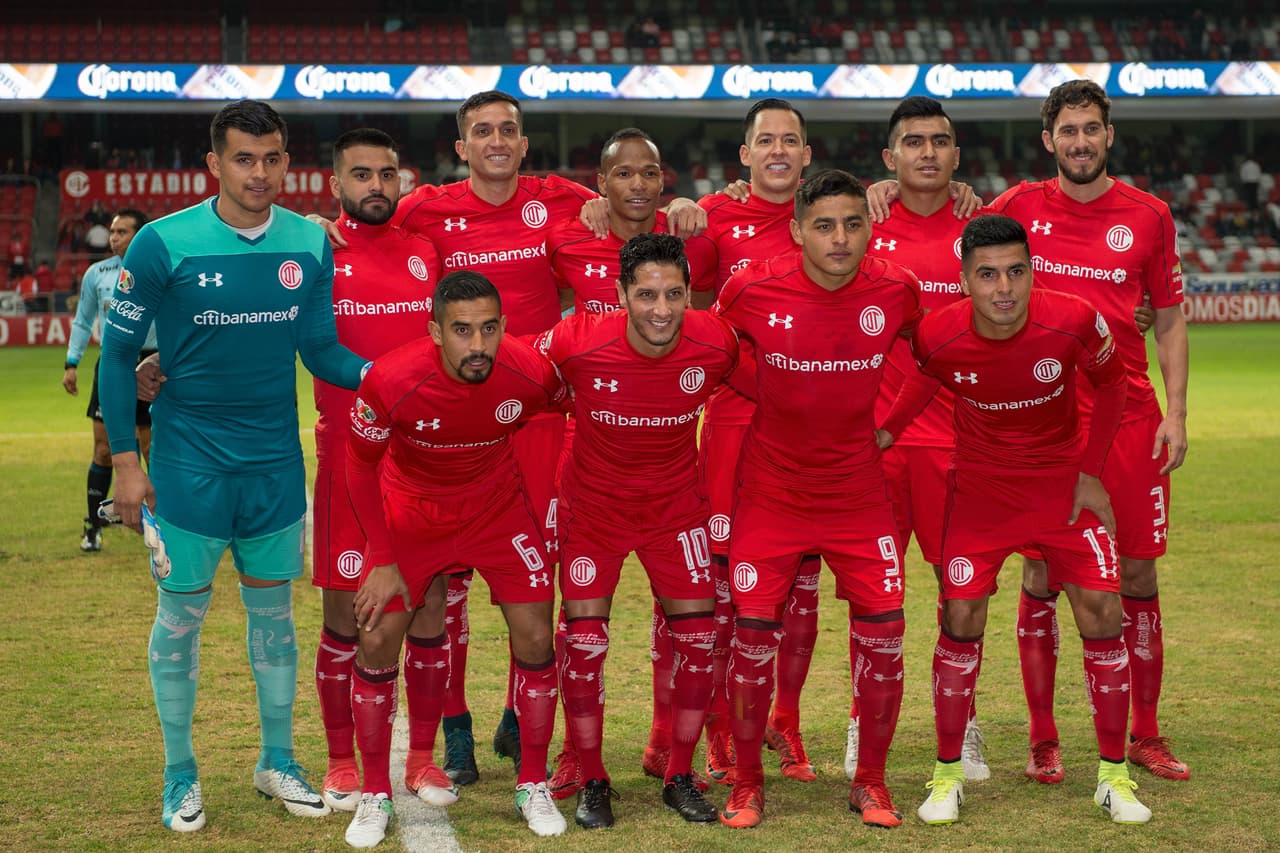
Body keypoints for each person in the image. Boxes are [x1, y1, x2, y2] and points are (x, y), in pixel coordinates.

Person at [98, 99, 368, 833]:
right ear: (214, 163)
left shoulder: (308, 244)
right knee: (181, 615)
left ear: (286, 162)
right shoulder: (162, 242)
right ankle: (179, 773)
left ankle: (276, 760)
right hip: (189, 465)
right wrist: (126, 461)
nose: (260, 173)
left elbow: (321, 350)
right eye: (244, 159)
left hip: (274, 465)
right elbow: (117, 357)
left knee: (274, 616)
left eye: (272, 158)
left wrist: (390, 379)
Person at [879, 213, 1152, 826]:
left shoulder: (1074, 319)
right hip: (981, 492)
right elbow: (924, 381)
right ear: (964, 281)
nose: (1003, 288)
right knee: (960, 616)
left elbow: (1113, 386)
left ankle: (1113, 777)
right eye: (987, 275)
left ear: (1032, 272)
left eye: (1015, 272)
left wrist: (1090, 472)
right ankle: (947, 775)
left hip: (1060, 488)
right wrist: (887, 434)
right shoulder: (938, 332)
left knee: (1103, 610)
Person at [988, 79, 1190, 784]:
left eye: (1091, 129)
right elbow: (958, 247)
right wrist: (889, 190)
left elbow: (1169, 318)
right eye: (1068, 130)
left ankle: (1146, 732)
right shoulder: (1015, 207)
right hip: (1043, 421)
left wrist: (1176, 412)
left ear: (1109, 135)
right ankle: (1043, 737)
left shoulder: (1149, 215)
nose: (1080, 142)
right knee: (1042, 571)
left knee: (1137, 571)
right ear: (1049, 140)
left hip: (1129, 419)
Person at [713, 169, 922, 830]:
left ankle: (872, 783)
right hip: (771, 494)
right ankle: (747, 783)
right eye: (824, 225)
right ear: (798, 230)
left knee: (885, 634)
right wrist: (767, 390)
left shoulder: (896, 289)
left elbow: (931, 357)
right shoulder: (752, 288)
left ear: (871, 228)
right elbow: (714, 350)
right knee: (752, 638)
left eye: (853, 224)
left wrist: (891, 425)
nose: (840, 238)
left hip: (858, 494)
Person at [341, 271, 569, 846]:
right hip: (413, 515)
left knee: (536, 633)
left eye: (489, 329)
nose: (478, 344)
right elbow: (359, 465)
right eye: (462, 330)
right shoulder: (393, 379)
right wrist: (382, 557)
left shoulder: (530, 371)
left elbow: (577, 403)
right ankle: (375, 792)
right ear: (435, 331)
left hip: (497, 512)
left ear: (504, 326)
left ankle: (533, 782)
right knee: (376, 636)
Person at [537, 233, 735, 829]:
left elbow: (769, 386)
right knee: (584, 644)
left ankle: (679, 775)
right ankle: (593, 776)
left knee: (699, 641)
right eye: (646, 294)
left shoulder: (716, 343)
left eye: (674, 294)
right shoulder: (576, 340)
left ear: (690, 294)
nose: (661, 309)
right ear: (621, 294)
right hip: (593, 512)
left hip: (675, 512)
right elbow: (514, 367)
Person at [682, 97, 822, 787]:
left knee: (802, 589)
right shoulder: (715, 217)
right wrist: (680, 210)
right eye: (765, 140)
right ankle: (718, 728)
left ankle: (783, 721)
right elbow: (675, 293)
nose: (778, 150)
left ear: (806, 154)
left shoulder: (833, 217)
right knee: (723, 594)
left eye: (790, 140)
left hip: (814, 431)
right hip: (737, 426)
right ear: (745, 154)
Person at [309, 128, 442, 813]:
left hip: (424, 459)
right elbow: (312, 347)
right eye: (361, 175)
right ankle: (340, 761)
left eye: (387, 174)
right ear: (336, 184)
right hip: (347, 459)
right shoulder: (317, 249)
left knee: (429, 608)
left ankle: (421, 759)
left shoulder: (426, 251)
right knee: (343, 615)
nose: (376, 186)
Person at [858, 96, 989, 782]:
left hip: (958, 445)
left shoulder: (981, 229)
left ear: (956, 155)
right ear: (891, 157)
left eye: (940, 141)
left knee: (960, 591)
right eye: (914, 142)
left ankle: (963, 726)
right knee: (874, 597)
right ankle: (862, 723)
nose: (928, 152)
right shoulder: (860, 223)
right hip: (877, 444)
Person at [61, 208, 157, 552]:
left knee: (153, 450)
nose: (114, 238)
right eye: (112, 232)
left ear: (140, 235)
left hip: (154, 364)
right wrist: (71, 362)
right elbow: (83, 320)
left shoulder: (160, 269)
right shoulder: (97, 274)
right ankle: (93, 526)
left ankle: (165, 524)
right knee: (103, 449)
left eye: (122, 232)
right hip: (114, 363)